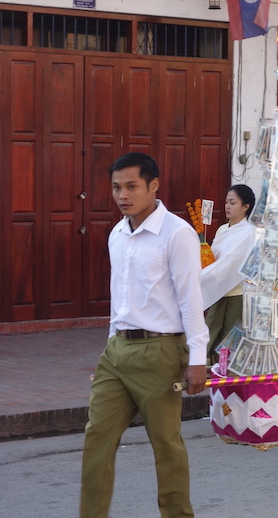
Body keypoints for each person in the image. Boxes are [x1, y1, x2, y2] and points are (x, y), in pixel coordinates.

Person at [80, 152, 208, 518]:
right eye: (117, 187)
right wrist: (110, 343)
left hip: (161, 352)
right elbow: (118, 295)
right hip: (117, 352)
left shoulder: (177, 233)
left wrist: (198, 358)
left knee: (166, 445)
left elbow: (190, 298)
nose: (123, 195)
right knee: (97, 439)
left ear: (154, 186)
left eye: (132, 186)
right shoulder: (117, 233)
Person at [201, 184, 256, 365]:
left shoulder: (249, 232)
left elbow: (233, 262)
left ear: (245, 206)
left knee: (230, 339)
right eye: (226, 202)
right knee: (211, 333)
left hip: (236, 293)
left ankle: (229, 378)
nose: (227, 206)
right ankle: (214, 373)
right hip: (218, 289)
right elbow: (217, 260)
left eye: (232, 202)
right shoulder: (222, 230)